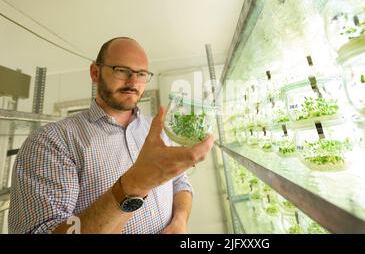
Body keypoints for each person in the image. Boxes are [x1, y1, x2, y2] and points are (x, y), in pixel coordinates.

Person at [8, 37, 214, 234]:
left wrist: (180, 220)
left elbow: (180, 182)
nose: (133, 81)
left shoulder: (157, 128)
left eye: (142, 74)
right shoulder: (53, 141)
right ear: (95, 72)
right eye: (122, 71)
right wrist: (135, 185)